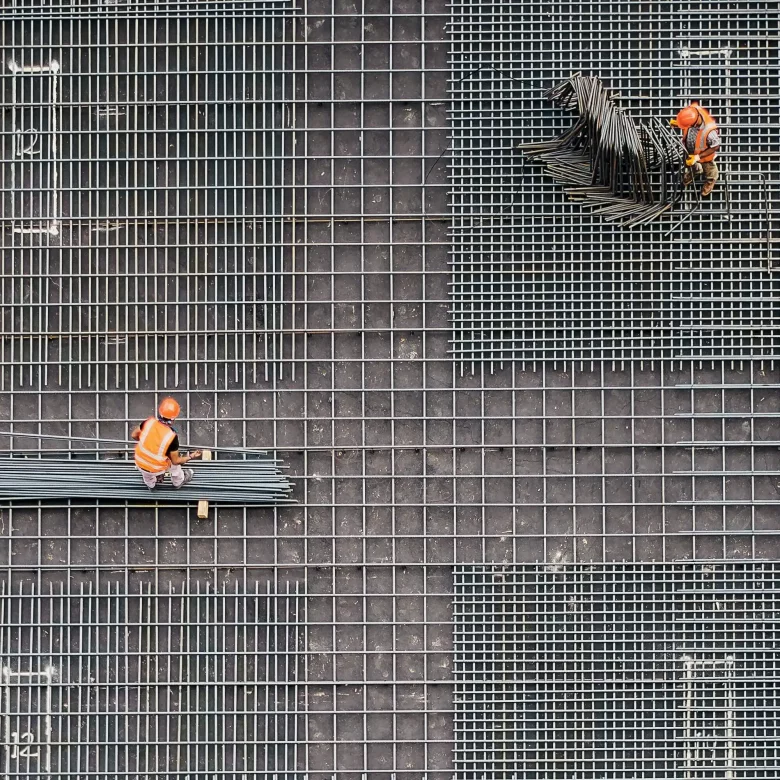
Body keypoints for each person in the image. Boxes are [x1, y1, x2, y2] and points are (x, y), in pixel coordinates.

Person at [131, 397, 202, 489]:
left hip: (140, 462)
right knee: (173, 462)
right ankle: (178, 481)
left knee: (147, 475)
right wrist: (191, 456)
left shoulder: (148, 423)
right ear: (173, 419)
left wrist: (148, 442)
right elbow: (176, 461)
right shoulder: (171, 437)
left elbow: (134, 435)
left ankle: (151, 484)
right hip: (156, 468)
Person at [670, 102, 721, 197]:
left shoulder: (709, 130)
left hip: (704, 155)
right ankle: (694, 173)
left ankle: (710, 182)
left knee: (710, 170)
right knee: (694, 167)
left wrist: (698, 157)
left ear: (695, 124)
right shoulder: (692, 111)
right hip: (690, 150)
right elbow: (687, 119)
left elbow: (715, 146)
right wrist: (680, 123)